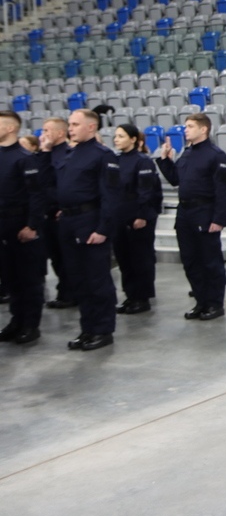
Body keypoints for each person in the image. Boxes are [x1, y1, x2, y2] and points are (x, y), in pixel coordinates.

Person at [156, 113, 226, 320]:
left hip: (205, 213)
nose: (185, 130)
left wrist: (219, 219)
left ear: (203, 129)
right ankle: (201, 301)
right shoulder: (187, 153)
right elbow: (175, 180)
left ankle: (215, 304)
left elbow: (224, 190)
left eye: (190, 126)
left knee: (210, 261)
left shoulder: (216, 155)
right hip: (185, 214)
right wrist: (165, 160)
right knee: (190, 261)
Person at [56, 109, 121, 351]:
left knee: (97, 280)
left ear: (91, 127)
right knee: (78, 279)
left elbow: (111, 195)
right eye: (70, 124)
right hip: (69, 222)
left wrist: (103, 228)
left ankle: (103, 330)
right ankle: (87, 328)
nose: (70, 128)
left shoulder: (102, 156)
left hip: (90, 221)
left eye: (75, 124)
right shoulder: (70, 154)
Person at [0, 110, 47, 345]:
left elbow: (36, 195)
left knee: (28, 278)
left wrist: (32, 225)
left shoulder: (24, 157)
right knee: (10, 278)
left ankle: (30, 324)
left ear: (10, 128)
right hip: (2, 225)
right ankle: (16, 321)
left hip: (20, 223)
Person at [111, 123, 163, 314]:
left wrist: (141, 215)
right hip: (120, 216)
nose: (117, 140)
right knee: (124, 258)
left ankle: (142, 297)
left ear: (133, 139)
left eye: (121, 136)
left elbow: (146, 191)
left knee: (140, 258)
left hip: (138, 217)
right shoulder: (115, 161)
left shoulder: (142, 161)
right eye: (116, 136)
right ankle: (130, 295)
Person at [38, 117, 75, 310]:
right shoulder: (45, 154)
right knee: (55, 256)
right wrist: (44, 151)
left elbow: (66, 184)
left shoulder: (68, 154)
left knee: (65, 257)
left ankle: (69, 293)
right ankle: (65, 291)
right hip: (47, 213)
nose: (43, 135)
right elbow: (40, 181)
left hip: (61, 213)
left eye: (47, 131)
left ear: (61, 133)